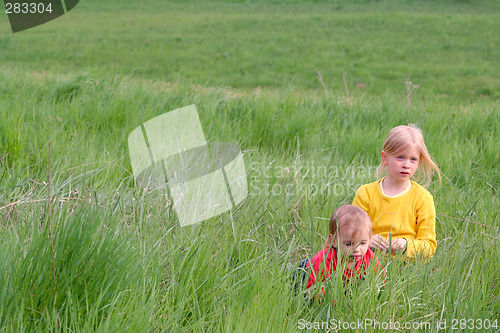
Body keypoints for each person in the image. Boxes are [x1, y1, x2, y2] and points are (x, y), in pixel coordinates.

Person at [353, 124, 441, 259]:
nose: (406, 164)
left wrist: (406, 245)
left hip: (408, 268)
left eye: (413, 159)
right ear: (385, 157)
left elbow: (429, 245)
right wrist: (368, 240)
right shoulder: (365, 193)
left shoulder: (423, 198)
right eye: (400, 157)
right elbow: (351, 233)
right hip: (369, 264)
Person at [305, 205, 381, 299]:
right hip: (308, 273)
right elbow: (314, 290)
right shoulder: (324, 261)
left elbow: (380, 281)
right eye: (349, 244)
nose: (356, 249)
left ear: (369, 240)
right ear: (334, 241)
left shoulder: (369, 258)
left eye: (362, 243)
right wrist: (336, 304)